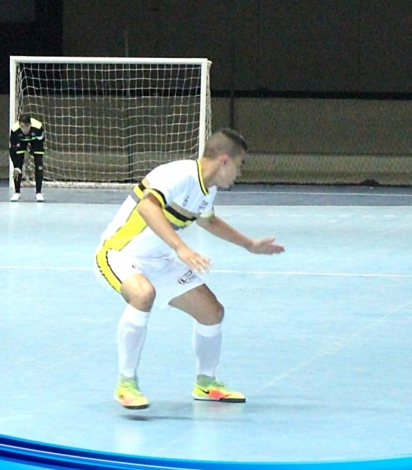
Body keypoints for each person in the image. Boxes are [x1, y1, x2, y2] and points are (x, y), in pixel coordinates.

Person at [94, 128, 285, 410]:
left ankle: (206, 384)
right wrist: (180, 248)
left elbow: (208, 221)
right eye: (239, 164)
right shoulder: (178, 174)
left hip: (159, 260)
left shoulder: (208, 190)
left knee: (212, 312)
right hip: (120, 254)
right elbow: (148, 208)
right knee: (143, 294)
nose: (239, 172)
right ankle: (126, 383)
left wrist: (249, 244)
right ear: (223, 160)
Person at [9, 113, 46, 202]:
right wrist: (17, 165)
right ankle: (17, 192)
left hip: (35, 142)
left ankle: (38, 193)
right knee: (17, 167)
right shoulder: (15, 130)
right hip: (20, 143)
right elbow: (13, 148)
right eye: (21, 126)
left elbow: (40, 141)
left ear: (29, 125)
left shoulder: (38, 127)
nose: (23, 129)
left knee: (39, 164)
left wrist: (30, 152)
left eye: (25, 126)